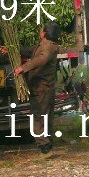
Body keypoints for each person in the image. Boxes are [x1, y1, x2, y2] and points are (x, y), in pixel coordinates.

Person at [15, 21, 61, 155]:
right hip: (45, 87)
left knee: (37, 117)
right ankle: (48, 144)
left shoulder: (48, 47)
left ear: (44, 33)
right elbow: (32, 51)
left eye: (41, 30)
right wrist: (14, 49)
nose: (40, 31)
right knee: (46, 117)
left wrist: (23, 68)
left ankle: (45, 147)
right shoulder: (48, 45)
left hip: (42, 87)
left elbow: (42, 59)